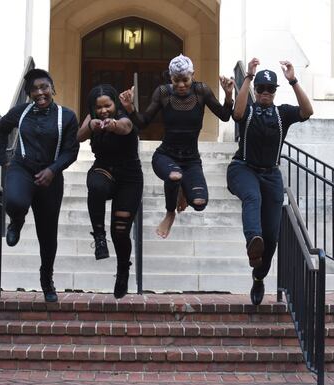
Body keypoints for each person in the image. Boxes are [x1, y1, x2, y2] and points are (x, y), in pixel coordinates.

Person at [119, 54, 235, 239]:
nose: (181, 85)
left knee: (199, 202)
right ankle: (170, 213)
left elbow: (224, 115)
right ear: (170, 78)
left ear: (193, 76)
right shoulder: (163, 92)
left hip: (191, 160)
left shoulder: (201, 91)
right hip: (166, 156)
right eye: (176, 80)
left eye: (185, 80)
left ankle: (182, 187)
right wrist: (130, 108)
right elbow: (143, 122)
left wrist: (228, 96)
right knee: (174, 175)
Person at [228, 58, 313, 305]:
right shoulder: (250, 109)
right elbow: (237, 113)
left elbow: (307, 111)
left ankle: (258, 276)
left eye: (270, 89)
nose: (265, 93)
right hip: (242, 168)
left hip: (271, 174)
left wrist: (293, 81)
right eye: (261, 89)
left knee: (273, 235)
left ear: (275, 92)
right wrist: (248, 78)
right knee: (252, 197)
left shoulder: (282, 113)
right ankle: (253, 242)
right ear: (256, 91)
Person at [0, 68, 79, 302]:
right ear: (29, 93)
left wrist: (53, 170)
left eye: (44, 87)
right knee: (14, 201)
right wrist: (4, 160)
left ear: (52, 88)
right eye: (35, 89)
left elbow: (71, 150)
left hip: (50, 177)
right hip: (22, 168)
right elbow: (1, 129)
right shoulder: (21, 112)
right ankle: (17, 221)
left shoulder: (67, 116)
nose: (40, 92)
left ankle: (46, 279)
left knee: (47, 234)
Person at [77, 84, 143, 299]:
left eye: (108, 105)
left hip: (129, 176)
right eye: (99, 107)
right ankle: (99, 237)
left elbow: (125, 127)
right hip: (104, 168)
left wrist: (111, 124)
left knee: (121, 231)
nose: (104, 110)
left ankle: (123, 268)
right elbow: (79, 136)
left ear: (115, 103)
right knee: (95, 185)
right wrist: (93, 125)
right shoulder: (92, 117)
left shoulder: (124, 115)